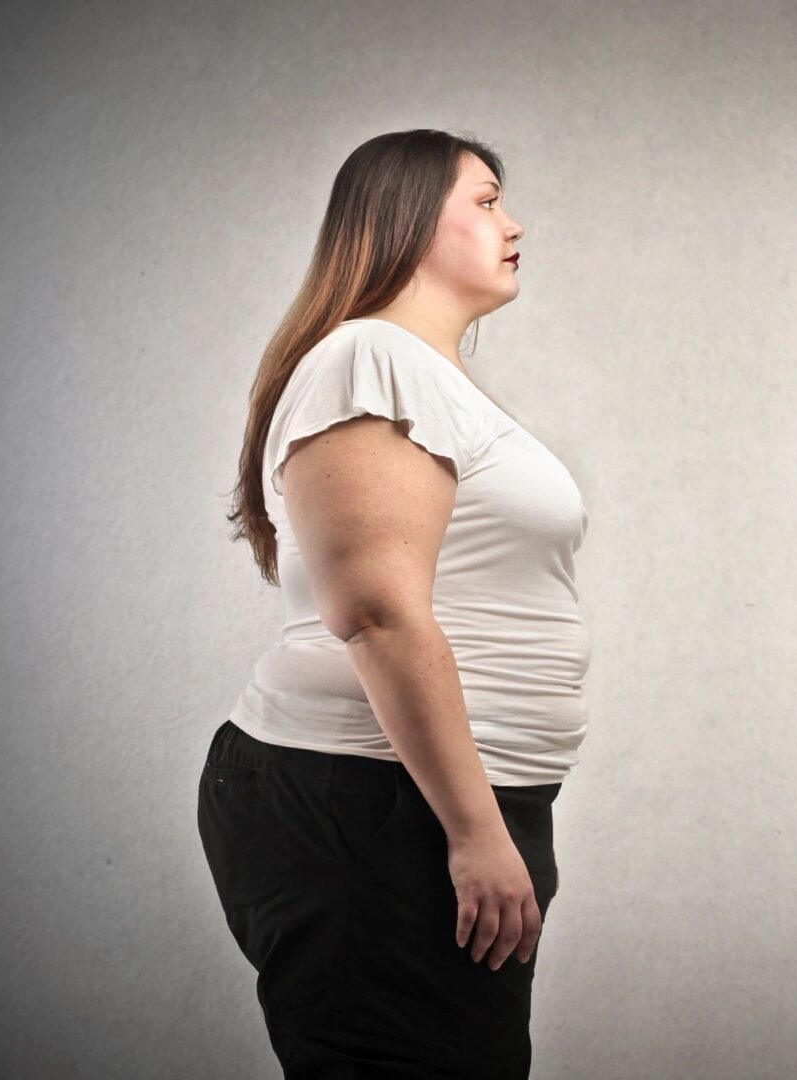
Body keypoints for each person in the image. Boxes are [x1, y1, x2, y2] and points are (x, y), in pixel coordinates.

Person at [199, 129, 591, 1078]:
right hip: (380, 805)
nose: (514, 222)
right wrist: (472, 831)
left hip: (418, 802)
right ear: (405, 220)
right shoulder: (368, 359)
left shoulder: (415, 372)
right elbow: (375, 613)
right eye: (487, 200)